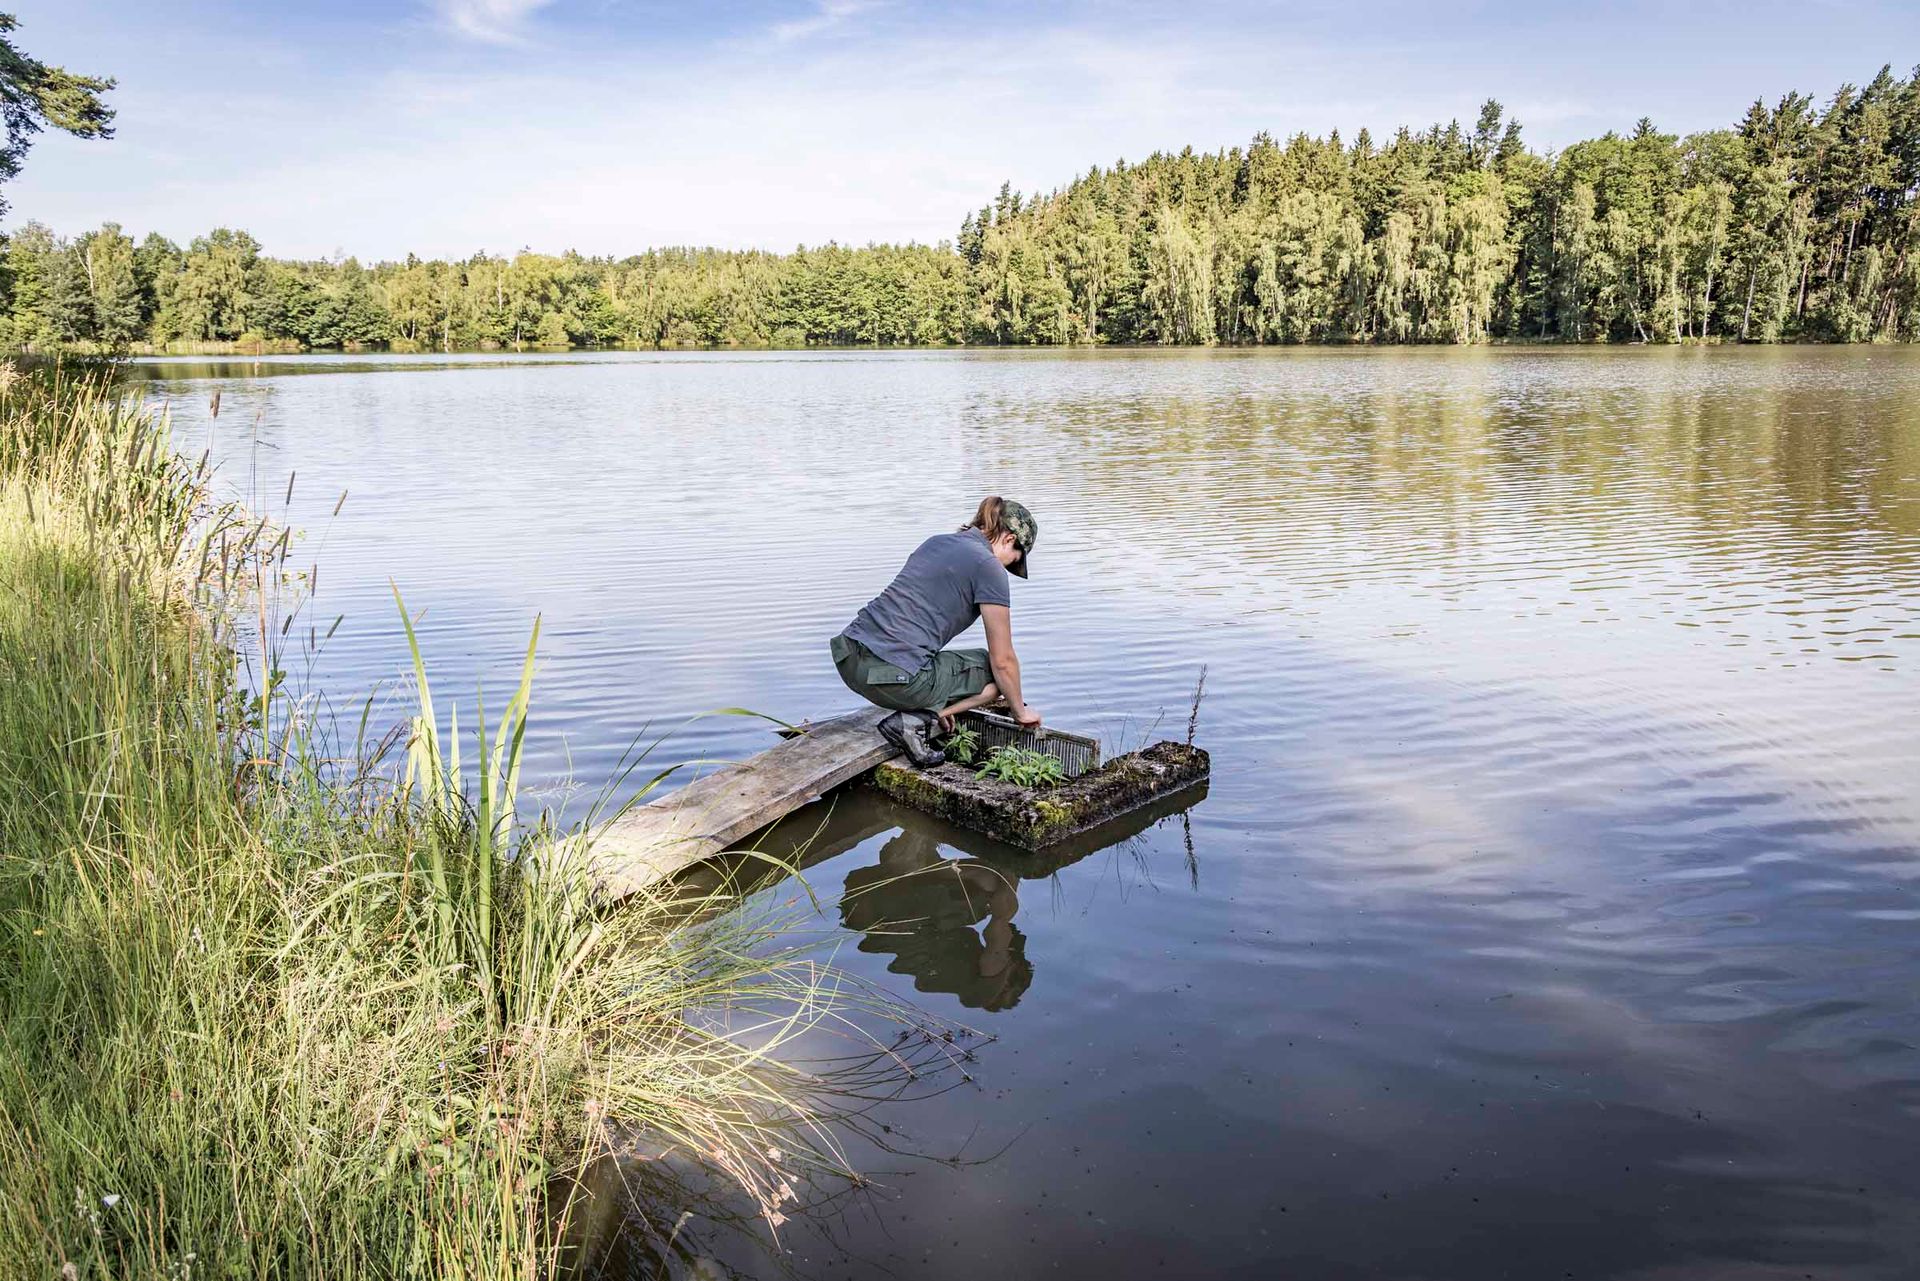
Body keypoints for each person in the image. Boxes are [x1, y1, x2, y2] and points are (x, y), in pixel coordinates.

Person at [830, 496, 1041, 767]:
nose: (1008, 567)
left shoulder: (936, 542)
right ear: (1009, 539)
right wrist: (1020, 711)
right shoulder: (988, 567)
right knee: (994, 673)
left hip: (848, 660)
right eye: (1015, 560)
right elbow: (1004, 661)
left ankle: (929, 709)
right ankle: (916, 721)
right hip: (892, 677)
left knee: (969, 667)